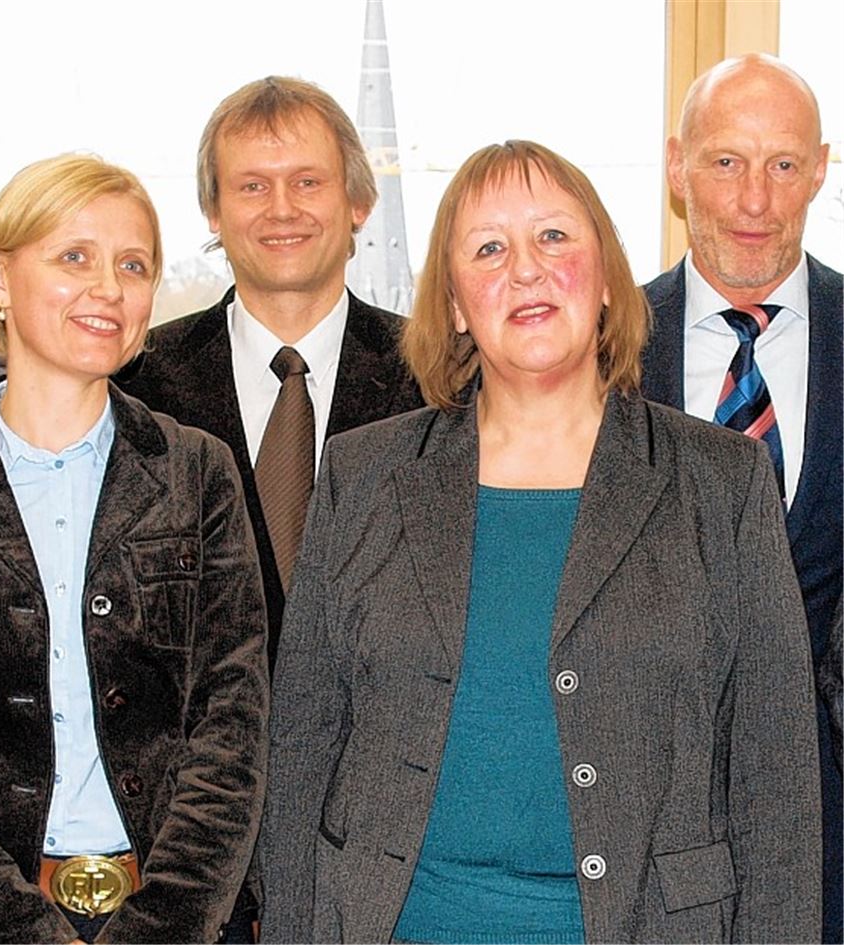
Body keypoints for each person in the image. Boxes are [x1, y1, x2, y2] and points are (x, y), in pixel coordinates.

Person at [260, 140, 821, 944]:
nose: (525, 268)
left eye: (554, 237)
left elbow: (777, 785)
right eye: (489, 248)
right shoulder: (363, 474)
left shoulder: (722, 481)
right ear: (455, 303)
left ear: (604, 278)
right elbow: (302, 750)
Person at [0, 154, 268, 944]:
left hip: (169, 921)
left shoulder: (199, 473)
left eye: (133, 264)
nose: (108, 286)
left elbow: (231, 726)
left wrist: (159, 928)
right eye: (75, 256)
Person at [118, 76, 422, 669]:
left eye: (307, 182)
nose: (283, 209)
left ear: (359, 203)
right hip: (199, 756)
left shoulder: (438, 381)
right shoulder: (136, 387)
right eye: (253, 185)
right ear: (213, 210)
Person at [640, 53, 842, 941]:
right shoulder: (597, 353)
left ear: (822, 171)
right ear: (678, 167)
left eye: (783, 165)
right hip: (637, 832)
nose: (755, 201)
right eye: (726, 162)